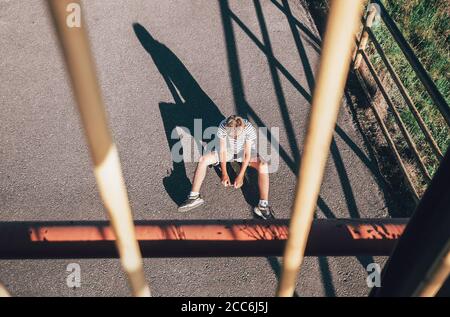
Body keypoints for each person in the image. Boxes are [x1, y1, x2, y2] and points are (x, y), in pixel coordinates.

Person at [178, 115, 274, 219]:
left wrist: (241, 176)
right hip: (228, 152)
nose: (235, 138)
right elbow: (222, 151)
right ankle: (194, 196)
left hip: (244, 153)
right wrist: (224, 174)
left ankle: (263, 206)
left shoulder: (248, 128)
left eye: (237, 136)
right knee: (203, 160)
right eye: (232, 136)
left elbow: (247, 155)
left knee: (263, 165)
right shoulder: (223, 126)